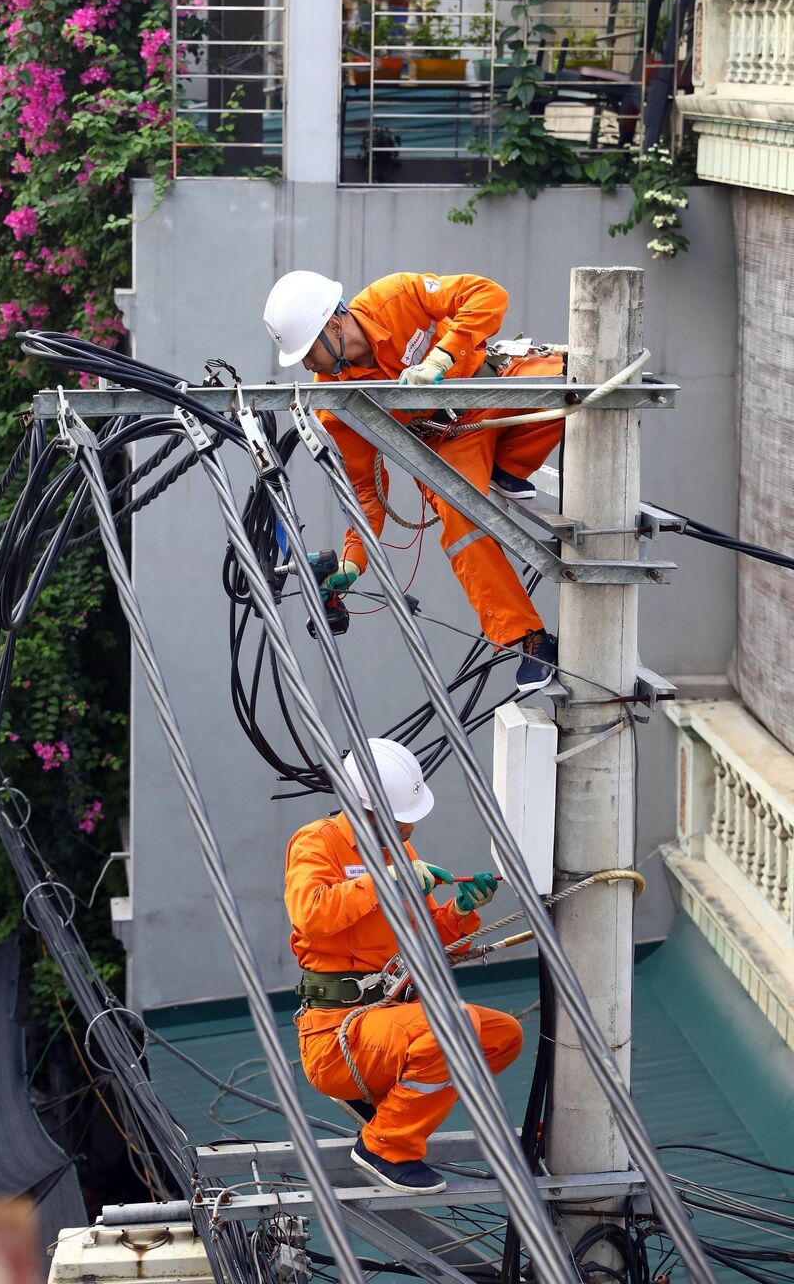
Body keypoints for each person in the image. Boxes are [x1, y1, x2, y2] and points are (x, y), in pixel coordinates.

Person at [263, 269, 563, 691]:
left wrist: (441, 357)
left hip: (492, 385)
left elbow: (488, 294)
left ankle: (507, 468)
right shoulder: (337, 402)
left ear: (334, 326)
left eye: (308, 351)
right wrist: (354, 561)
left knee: (568, 384)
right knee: (459, 514)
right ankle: (525, 636)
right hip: (448, 439)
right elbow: (365, 492)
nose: (308, 364)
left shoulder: (396, 297)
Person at [284, 737, 523, 1195]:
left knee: (501, 1036)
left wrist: (460, 912)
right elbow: (311, 914)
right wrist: (384, 880)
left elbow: (426, 942)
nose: (409, 829)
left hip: (388, 1016)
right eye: (401, 818)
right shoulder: (318, 843)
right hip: (337, 1033)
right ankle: (385, 1147)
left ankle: (387, 1108)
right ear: (365, 810)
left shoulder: (399, 853)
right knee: (456, 1025)